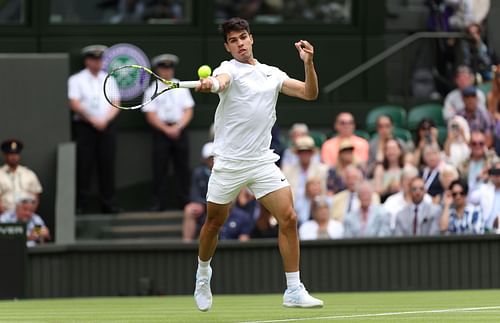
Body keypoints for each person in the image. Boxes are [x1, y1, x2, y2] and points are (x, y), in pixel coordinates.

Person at [193, 17, 323, 311]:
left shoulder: (271, 74)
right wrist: (212, 84)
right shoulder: (228, 70)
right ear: (228, 47)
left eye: (243, 37)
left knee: (288, 217)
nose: (240, 44)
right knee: (214, 223)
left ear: (251, 38)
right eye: (233, 41)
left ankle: (293, 289)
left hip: (262, 160)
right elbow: (220, 81)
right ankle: (203, 274)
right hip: (228, 162)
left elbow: (309, 93)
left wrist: (308, 63)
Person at [68, 44, 121, 214]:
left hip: (106, 127)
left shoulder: (110, 78)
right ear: (87, 61)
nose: (97, 63)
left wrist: (105, 120)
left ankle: (108, 204)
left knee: (107, 164)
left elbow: (116, 103)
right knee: (84, 165)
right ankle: (81, 204)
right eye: (93, 59)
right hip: (85, 127)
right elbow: (74, 104)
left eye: (99, 59)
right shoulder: (76, 79)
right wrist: (92, 120)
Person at [142, 53, 195, 211]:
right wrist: (166, 129)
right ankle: (158, 203)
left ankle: (184, 201)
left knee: (182, 168)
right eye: (164, 68)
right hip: (161, 133)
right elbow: (150, 115)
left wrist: (178, 127)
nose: (167, 71)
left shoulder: (182, 85)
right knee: (159, 169)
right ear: (158, 69)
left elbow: (188, 110)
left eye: (170, 67)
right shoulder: (152, 89)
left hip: (180, 131)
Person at [282, 135, 328, 224]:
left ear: (312, 153)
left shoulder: (322, 169)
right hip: (292, 210)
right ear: (297, 153)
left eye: (308, 151)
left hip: (314, 209)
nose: (305, 154)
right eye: (301, 151)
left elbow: (323, 192)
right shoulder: (288, 170)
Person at [182, 142, 214, 242]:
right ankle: (187, 243)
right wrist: (204, 205)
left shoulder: (226, 172)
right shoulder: (198, 173)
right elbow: (194, 195)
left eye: (214, 158)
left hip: (222, 208)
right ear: (204, 159)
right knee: (189, 210)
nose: (212, 161)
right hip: (205, 208)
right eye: (210, 158)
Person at [0, 139, 42, 213]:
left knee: (39, 224)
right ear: (5, 155)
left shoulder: (29, 173)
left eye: (16, 154)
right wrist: (6, 216)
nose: (13, 157)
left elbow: (36, 195)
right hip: (5, 215)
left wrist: (29, 212)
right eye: (11, 154)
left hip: (27, 215)